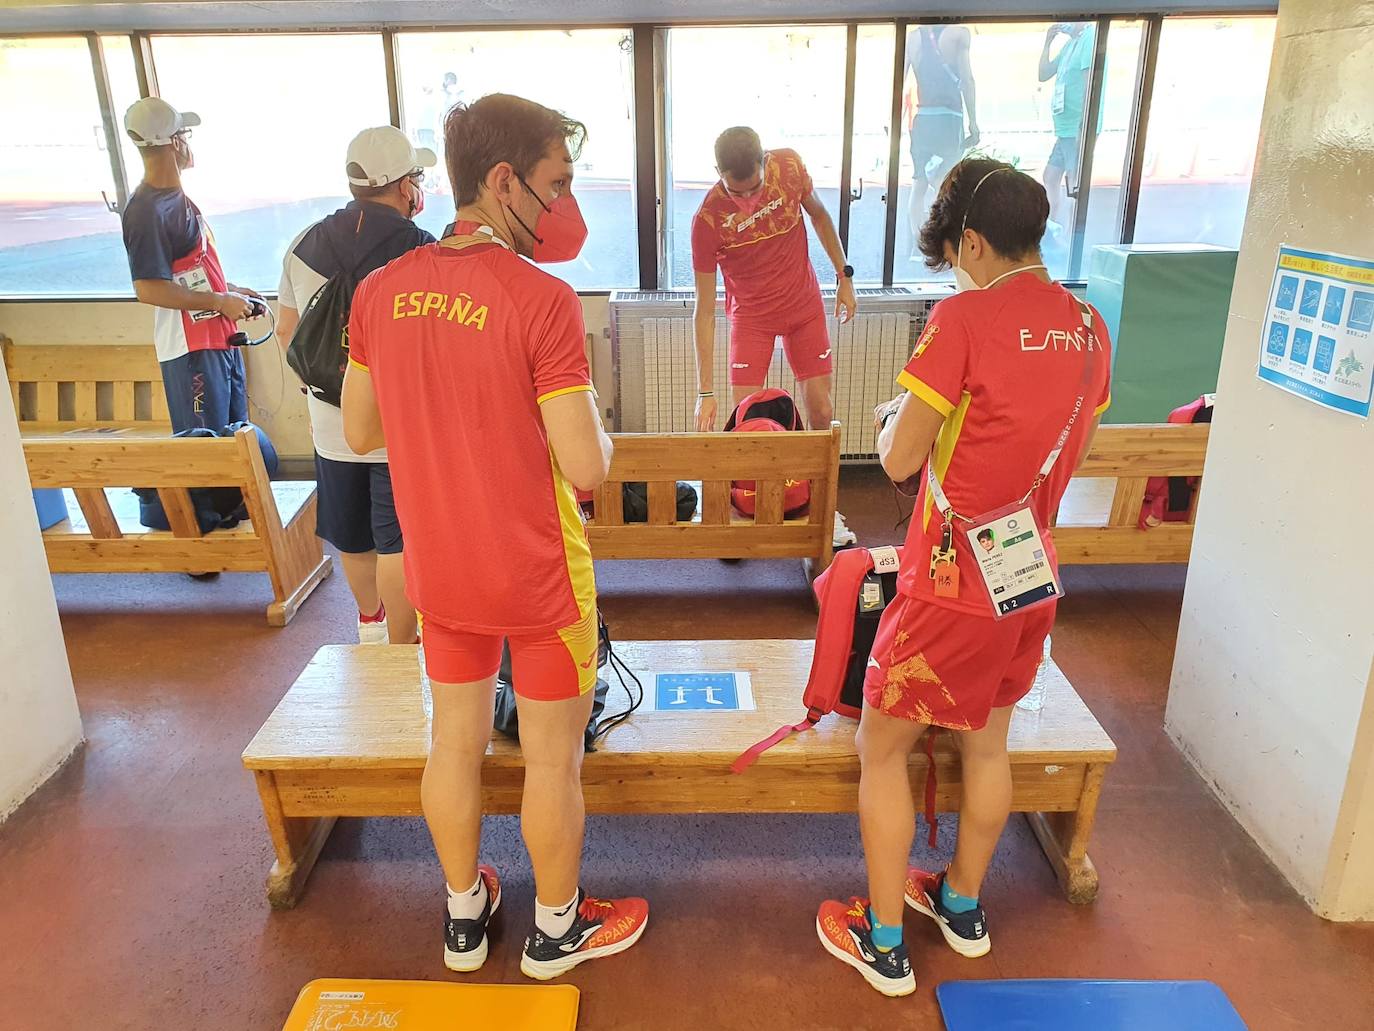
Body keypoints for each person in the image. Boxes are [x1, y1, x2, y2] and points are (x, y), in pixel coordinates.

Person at [341, 93, 648, 980]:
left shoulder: (380, 291)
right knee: (553, 761)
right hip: (538, 575)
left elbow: (362, 431)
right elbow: (586, 467)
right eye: (555, 183)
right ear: (503, 179)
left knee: (454, 743)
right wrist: (595, 421)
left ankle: (466, 919)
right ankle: (556, 929)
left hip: (442, 570)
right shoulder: (542, 300)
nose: (562, 205)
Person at [815, 158, 1111, 997]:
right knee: (989, 740)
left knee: (881, 747)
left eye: (956, 252)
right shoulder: (1091, 326)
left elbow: (900, 456)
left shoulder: (964, 319)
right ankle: (965, 906)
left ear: (974, 241)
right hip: (1032, 574)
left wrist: (895, 421)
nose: (955, 267)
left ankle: (883, 941)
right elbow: (1057, 447)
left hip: (950, 584)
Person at [277, 127, 436, 646]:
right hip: (401, 422)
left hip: (331, 418)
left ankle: (369, 623)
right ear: (403, 184)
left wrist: (321, 391)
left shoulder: (304, 243)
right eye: (417, 176)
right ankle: (400, 639)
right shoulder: (422, 250)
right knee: (397, 537)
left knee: (352, 533)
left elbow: (287, 333)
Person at [690, 127, 857, 545]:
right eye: (736, 191)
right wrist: (705, 390)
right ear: (719, 173)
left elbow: (818, 214)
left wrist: (844, 275)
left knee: (820, 412)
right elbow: (705, 309)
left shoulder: (789, 167)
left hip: (803, 308)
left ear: (766, 161)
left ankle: (824, 510)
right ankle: (745, 515)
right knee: (750, 424)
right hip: (752, 319)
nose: (748, 200)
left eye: (755, 188)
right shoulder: (708, 219)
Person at [120, 97, 263, 433]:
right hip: (192, 349)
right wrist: (218, 301)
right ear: (175, 141)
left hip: (218, 340)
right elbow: (148, 287)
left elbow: (187, 270)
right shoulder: (146, 210)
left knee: (237, 444)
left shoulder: (177, 199)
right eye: (185, 133)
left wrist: (229, 292)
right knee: (206, 452)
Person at [904, 25, 979, 253]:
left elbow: (899, 81)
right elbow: (967, 80)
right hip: (950, 119)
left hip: (924, 117)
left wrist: (894, 120)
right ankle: (945, 241)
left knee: (919, 183)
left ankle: (921, 242)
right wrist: (973, 121)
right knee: (948, 182)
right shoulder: (959, 33)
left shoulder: (913, 37)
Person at [1038, 23, 1097, 233]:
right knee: (1051, 176)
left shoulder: (1090, 38)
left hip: (1077, 128)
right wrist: (1048, 42)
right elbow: (1043, 73)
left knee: (1075, 183)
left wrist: (1084, 126)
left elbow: (1090, 83)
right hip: (1065, 129)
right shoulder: (1071, 43)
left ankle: (1074, 238)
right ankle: (1051, 229)